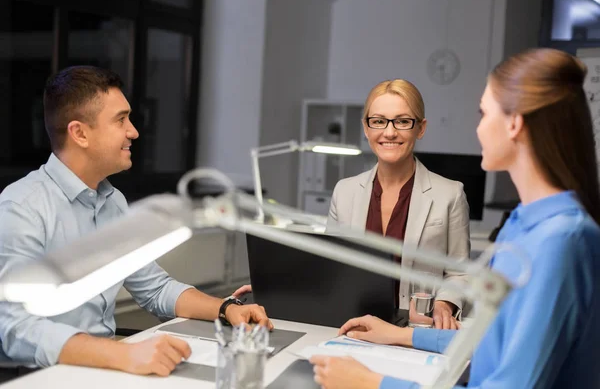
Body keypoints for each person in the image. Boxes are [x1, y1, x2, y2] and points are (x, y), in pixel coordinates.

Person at [310, 48, 600, 388]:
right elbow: (490, 339)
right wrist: (402, 336)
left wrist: (373, 384)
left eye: (483, 113)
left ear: (514, 124)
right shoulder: (522, 223)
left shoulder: (561, 240)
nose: (477, 130)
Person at [0, 66, 272, 379]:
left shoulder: (112, 201)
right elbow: (15, 328)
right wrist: (124, 353)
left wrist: (227, 309)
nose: (134, 131)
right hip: (46, 376)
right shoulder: (22, 206)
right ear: (79, 133)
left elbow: (155, 289)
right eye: (121, 120)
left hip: (104, 368)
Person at [327, 79, 469, 329]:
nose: (389, 132)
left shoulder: (451, 194)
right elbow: (329, 266)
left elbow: (460, 273)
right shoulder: (344, 191)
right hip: (352, 326)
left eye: (402, 121)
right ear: (366, 128)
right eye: (379, 121)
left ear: (420, 128)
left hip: (415, 330)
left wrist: (445, 304)